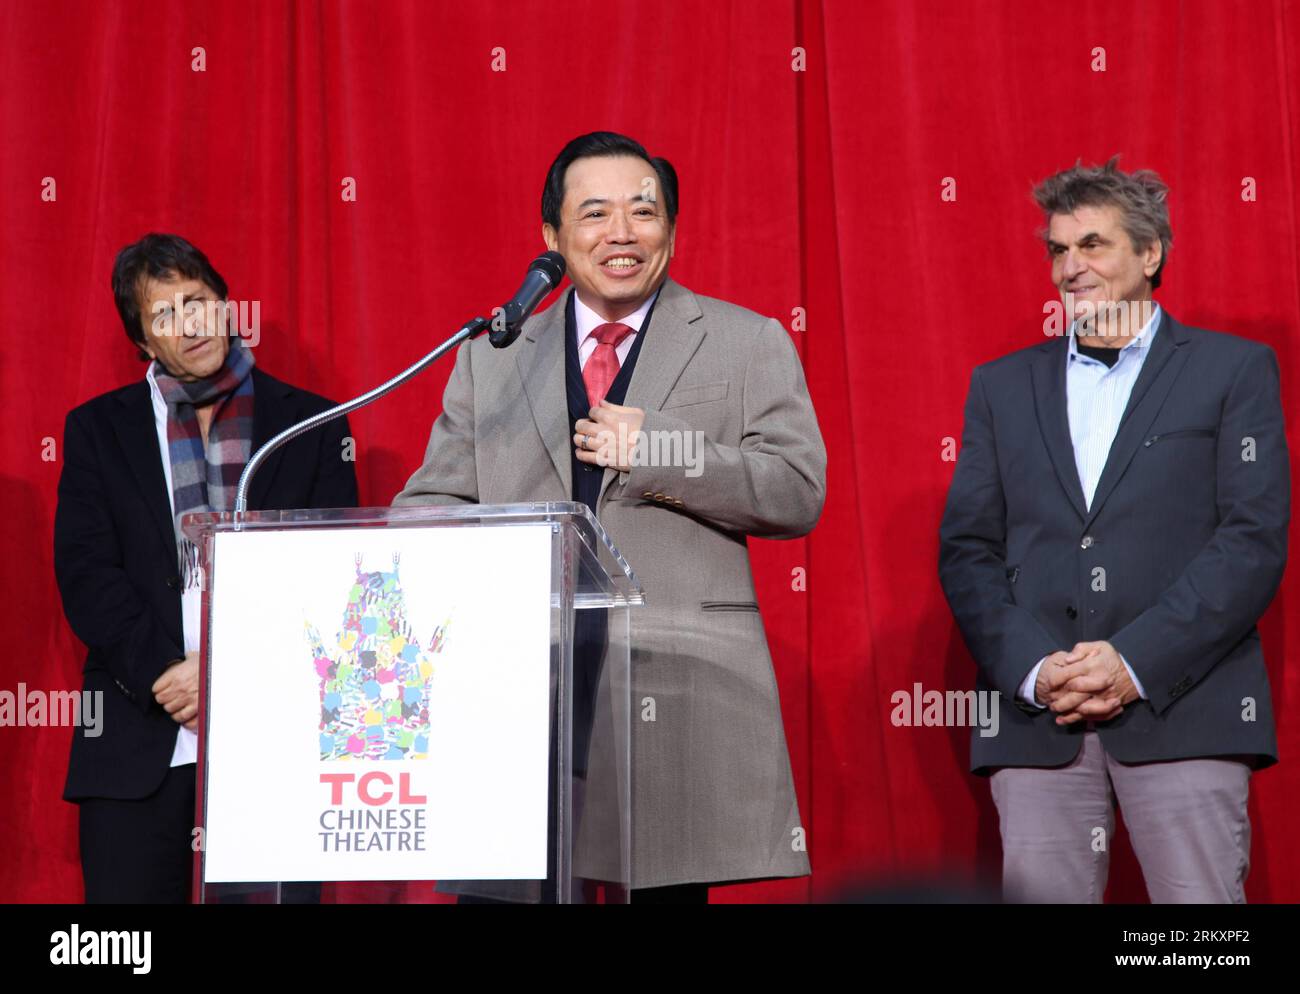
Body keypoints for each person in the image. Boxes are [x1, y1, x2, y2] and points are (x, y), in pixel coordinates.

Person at [394, 132, 825, 902]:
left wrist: (659, 448)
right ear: (552, 239)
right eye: (594, 214)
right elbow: (436, 499)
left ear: (672, 228)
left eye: (643, 212)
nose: (621, 233)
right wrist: (422, 548)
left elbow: (796, 489)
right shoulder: (493, 354)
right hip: (517, 692)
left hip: (672, 681)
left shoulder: (745, 340)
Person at [938, 158, 1289, 903]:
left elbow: (1251, 540)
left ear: (1150, 253)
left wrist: (1134, 660)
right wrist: (1035, 670)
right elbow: (968, 549)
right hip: (1039, 720)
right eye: (1058, 251)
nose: (1071, 268)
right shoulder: (1000, 386)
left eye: (1092, 245)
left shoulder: (1234, 371)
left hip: (1186, 708)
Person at [54, 233, 358, 902]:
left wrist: (227, 669)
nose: (189, 322)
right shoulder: (98, 430)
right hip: (141, 733)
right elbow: (86, 573)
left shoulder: (311, 423)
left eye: (198, 300)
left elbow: (330, 572)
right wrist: (166, 673)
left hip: (271, 735)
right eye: (164, 314)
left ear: (225, 305)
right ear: (142, 341)